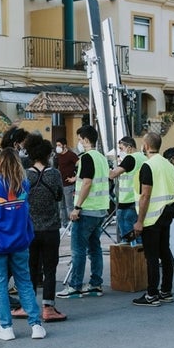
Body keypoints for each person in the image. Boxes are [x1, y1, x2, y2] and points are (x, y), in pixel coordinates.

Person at [0, 147, 46, 340]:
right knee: (24, 282)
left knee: (0, 285)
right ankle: (36, 326)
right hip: (20, 241)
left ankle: (6, 327)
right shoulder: (23, 184)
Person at [56, 125, 109, 299]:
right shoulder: (101, 157)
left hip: (87, 210)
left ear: (86, 140)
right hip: (100, 209)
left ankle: (75, 286)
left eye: (79, 139)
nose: (78, 143)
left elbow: (87, 183)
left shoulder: (86, 157)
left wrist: (77, 207)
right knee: (95, 249)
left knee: (78, 249)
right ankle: (95, 284)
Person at [17, 133, 66, 322]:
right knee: (50, 269)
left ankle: (26, 306)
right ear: (47, 155)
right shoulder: (54, 174)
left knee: (30, 268)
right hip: (51, 228)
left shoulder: (25, 176)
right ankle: (48, 308)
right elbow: (59, 196)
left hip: (30, 229)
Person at [132, 132, 174, 306]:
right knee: (164, 252)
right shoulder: (168, 164)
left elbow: (145, 195)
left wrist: (139, 221)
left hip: (152, 217)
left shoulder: (148, 166)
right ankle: (166, 291)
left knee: (151, 256)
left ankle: (151, 294)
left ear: (145, 145)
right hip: (167, 212)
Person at [109, 136, 147, 244]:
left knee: (128, 237)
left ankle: (131, 258)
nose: (120, 152)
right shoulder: (143, 158)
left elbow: (113, 175)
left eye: (121, 148)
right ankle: (141, 258)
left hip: (127, 202)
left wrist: (105, 167)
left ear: (129, 147)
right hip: (138, 201)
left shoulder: (130, 158)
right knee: (138, 235)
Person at [54, 137, 78, 225]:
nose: (57, 147)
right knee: (61, 207)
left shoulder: (71, 155)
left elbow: (80, 165)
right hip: (60, 184)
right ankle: (64, 225)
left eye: (59, 145)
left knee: (69, 206)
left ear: (64, 145)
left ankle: (72, 226)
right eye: (56, 145)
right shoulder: (57, 156)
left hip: (68, 185)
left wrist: (75, 178)